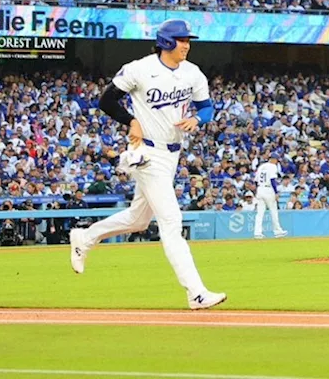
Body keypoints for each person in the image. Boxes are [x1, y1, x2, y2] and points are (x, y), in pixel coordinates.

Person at [69, 19, 226, 310]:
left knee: (137, 220)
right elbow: (107, 100)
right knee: (171, 222)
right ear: (167, 42)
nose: (187, 45)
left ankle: (85, 237)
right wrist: (132, 121)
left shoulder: (193, 73)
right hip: (147, 153)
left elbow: (206, 108)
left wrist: (197, 119)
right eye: (181, 40)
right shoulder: (140, 68)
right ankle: (196, 292)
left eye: (188, 40)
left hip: (172, 153)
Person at [253, 151, 287, 239]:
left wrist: (259, 190)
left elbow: (256, 181)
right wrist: (276, 192)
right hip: (268, 189)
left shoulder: (261, 166)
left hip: (260, 189)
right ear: (274, 159)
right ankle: (278, 231)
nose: (277, 162)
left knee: (259, 213)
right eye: (277, 160)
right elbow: (272, 180)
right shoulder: (272, 166)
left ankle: (257, 233)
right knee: (273, 211)